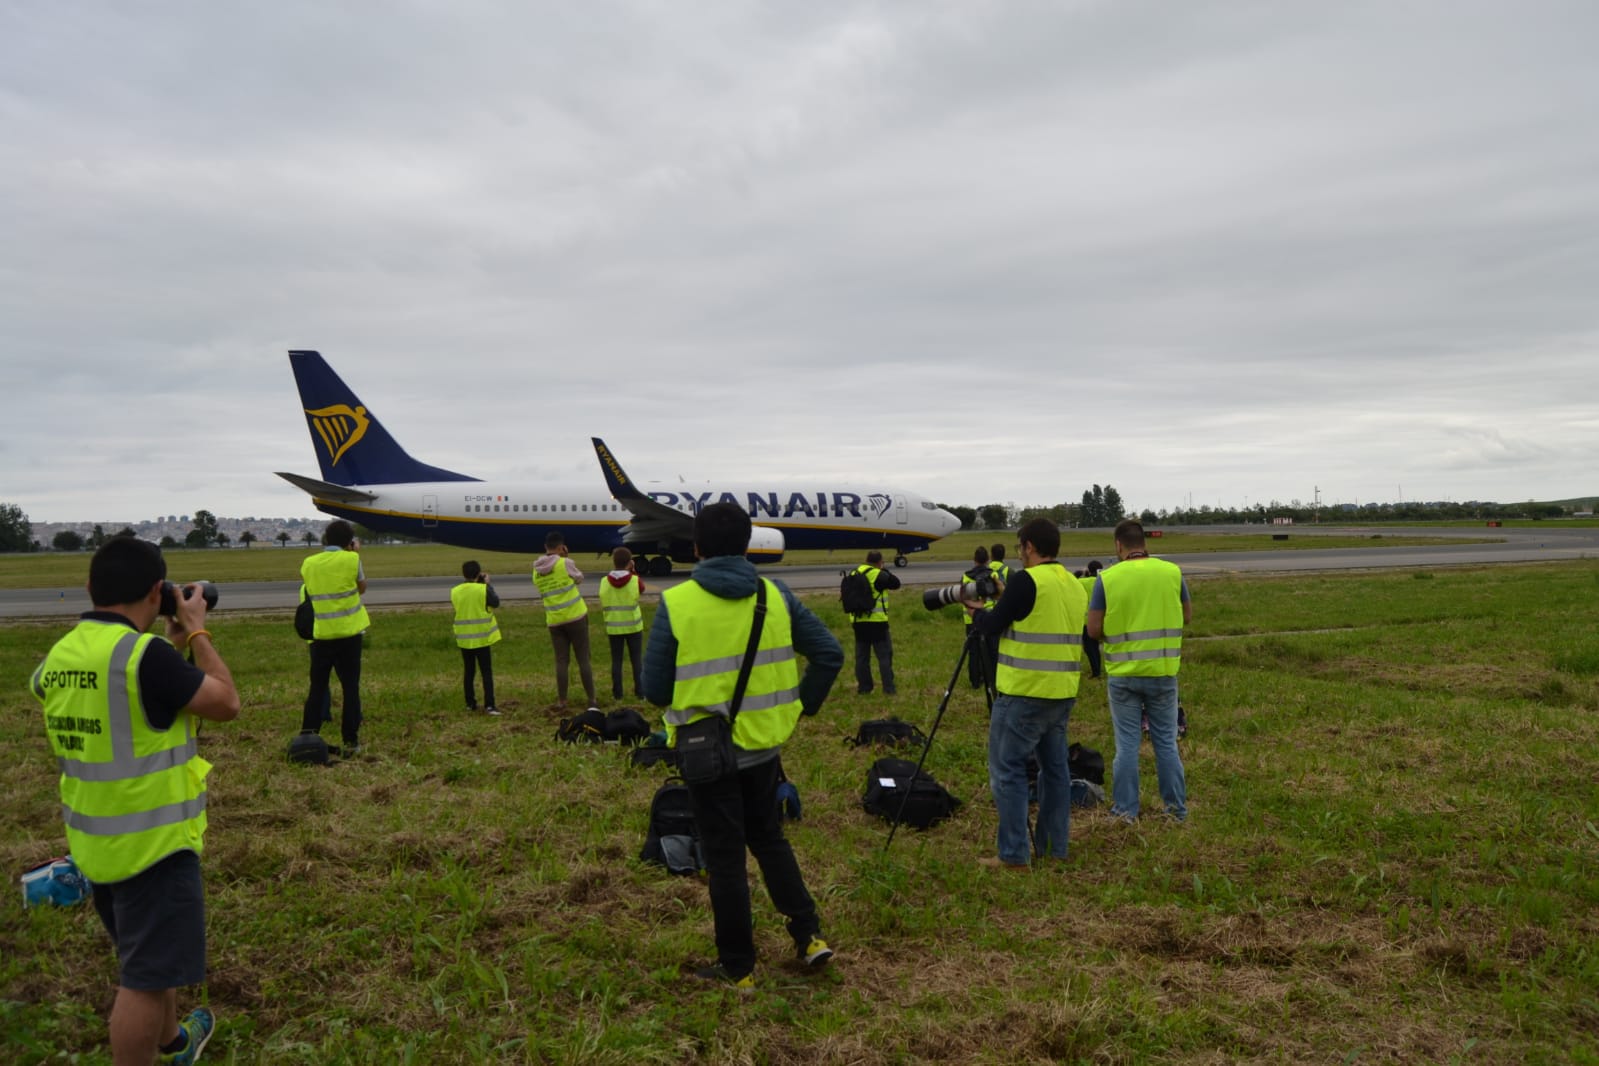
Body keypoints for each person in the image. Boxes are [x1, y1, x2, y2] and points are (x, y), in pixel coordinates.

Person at [30, 536, 240, 1065]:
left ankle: (173, 1045)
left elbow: (107, 696)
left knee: (150, 958)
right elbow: (225, 703)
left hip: (97, 843)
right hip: (154, 847)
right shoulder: (143, 656)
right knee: (143, 982)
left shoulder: (62, 654)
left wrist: (164, 645)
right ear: (157, 591)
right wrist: (195, 630)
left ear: (88, 589)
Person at [642, 502, 843, 987]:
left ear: (696, 547)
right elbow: (829, 654)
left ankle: (738, 968)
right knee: (770, 840)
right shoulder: (775, 595)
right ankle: (809, 935)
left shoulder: (678, 602)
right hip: (763, 748)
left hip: (705, 753)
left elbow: (655, 691)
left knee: (725, 859)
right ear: (750, 542)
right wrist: (799, 706)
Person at [966, 518, 1087, 869]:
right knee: (1055, 771)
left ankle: (1014, 854)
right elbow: (1037, 615)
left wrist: (975, 615)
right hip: (1061, 692)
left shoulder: (1026, 581)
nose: (1019, 554)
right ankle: (1054, 847)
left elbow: (991, 626)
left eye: (1021, 547)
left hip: (1024, 692)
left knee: (1007, 770)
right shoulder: (1072, 584)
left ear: (1030, 547)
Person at [1085, 519, 1190, 822]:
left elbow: (1093, 629)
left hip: (1124, 674)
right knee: (1166, 744)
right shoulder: (1171, 572)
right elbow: (1187, 615)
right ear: (1144, 543)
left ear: (1119, 545)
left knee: (1127, 746)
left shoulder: (1108, 578)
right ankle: (1175, 811)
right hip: (1162, 672)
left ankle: (1125, 811)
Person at [300, 519, 369, 756]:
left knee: (317, 687)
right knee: (350, 688)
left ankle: (308, 734)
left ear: (326, 540)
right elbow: (361, 588)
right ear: (350, 542)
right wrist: (353, 554)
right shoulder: (352, 559)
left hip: (321, 634)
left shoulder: (308, 563)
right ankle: (351, 740)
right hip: (349, 633)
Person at [534, 531, 597, 710]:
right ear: (562, 547)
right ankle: (592, 699)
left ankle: (562, 700)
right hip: (576, 616)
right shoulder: (565, 563)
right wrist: (566, 558)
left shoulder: (536, 571)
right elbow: (579, 579)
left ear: (546, 547)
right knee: (583, 659)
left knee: (561, 661)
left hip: (554, 619)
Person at [847, 550, 901, 695]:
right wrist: (883, 569)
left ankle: (864, 688)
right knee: (884, 656)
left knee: (862, 657)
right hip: (877, 622)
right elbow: (896, 583)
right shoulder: (878, 574)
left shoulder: (854, 572)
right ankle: (888, 689)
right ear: (879, 562)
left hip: (858, 621)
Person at [451, 560, 501, 716]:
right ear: (479, 573)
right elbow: (496, 602)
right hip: (482, 637)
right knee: (486, 672)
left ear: (463, 574)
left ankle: (470, 703)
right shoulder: (482, 590)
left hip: (464, 637)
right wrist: (487, 584)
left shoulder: (455, 591)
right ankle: (490, 705)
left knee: (469, 671)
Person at [600, 547, 646, 701]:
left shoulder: (604, 581)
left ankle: (617, 694)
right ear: (629, 563)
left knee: (616, 661)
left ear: (613, 561)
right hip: (633, 626)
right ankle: (640, 692)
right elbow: (642, 589)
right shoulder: (634, 580)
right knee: (636, 660)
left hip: (614, 627)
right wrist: (632, 571)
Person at [961, 546, 997, 690]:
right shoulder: (992, 575)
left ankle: (975, 681)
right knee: (992, 651)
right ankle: (992, 679)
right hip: (989, 618)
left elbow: (962, 595)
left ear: (974, 560)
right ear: (988, 560)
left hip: (971, 620)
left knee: (973, 652)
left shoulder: (966, 576)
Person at [1079, 559, 1104, 679]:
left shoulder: (1083, 581)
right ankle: (1098, 669)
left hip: (1086, 620)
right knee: (1096, 646)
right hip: (1101, 618)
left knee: (1089, 648)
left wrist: (1084, 574)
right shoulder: (1102, 580)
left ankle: (1096, 672)